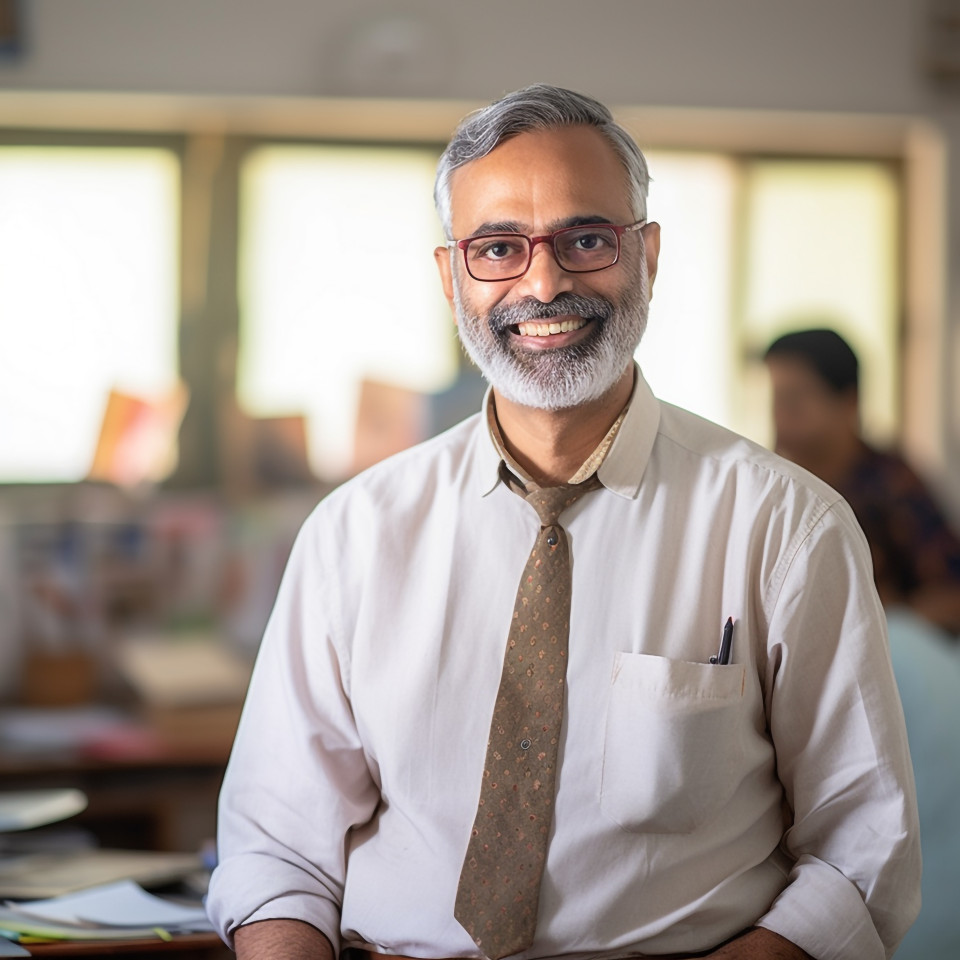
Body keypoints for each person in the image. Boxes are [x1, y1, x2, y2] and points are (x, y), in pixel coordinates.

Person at [207, 85, 920, 960]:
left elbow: (863, 853)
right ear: (450, 277)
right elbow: (277, 850)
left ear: (647, 256)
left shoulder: (786, 527)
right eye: (498, 247)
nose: (542, 283)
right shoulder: (353, 536)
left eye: (586, 240)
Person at [764, 328, 960, 635]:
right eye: (774, 398)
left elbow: (952, 594)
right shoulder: (767, 486)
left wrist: (883, 618)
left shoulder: (893, 484)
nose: (780, 414)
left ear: (848, 402)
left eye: (795, 399)